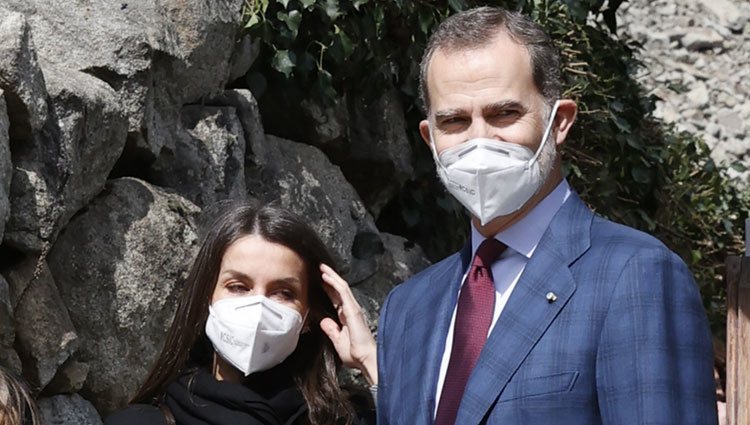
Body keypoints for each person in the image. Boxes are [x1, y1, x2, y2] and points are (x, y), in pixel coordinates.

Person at [372, 6, 718, 425]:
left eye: (504, 113)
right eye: (455, 121)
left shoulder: (635, 275)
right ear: (430, 137)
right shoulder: (407, 309)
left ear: (560, 123)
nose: (479, 139)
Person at [104, 203, 376, 425]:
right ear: (207, 299)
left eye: (283, 293)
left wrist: (370, 363)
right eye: (238, 287)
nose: (258, 308)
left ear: (307, 317)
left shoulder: (350, 419)